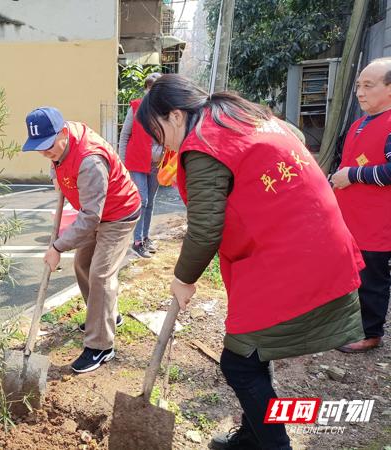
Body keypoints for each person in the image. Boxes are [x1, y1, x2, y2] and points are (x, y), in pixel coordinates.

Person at [137, 75, 365, 450]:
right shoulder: (242, 116)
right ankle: (250, 437)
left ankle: (274, 445)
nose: (160, 142)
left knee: (239, 363)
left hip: (291, 259)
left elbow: (205, 228)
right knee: (254, 355)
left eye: (157, 131)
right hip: (311, 243)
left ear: (175, 116)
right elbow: (297, 139)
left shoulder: (205, 143)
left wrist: (183, 278)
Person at [22, 107, 141, 373]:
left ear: (63, 133)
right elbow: (59, 162)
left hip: (119, 214)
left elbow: (89, 219)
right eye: (38, 147)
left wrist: (56, 247)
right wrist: (57, 175)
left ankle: (101, 346)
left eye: (48, 146)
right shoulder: (62, 140)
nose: (44, 152)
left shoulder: (90, 161)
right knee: (82, 264)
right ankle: (105, 316)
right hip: (97, 213)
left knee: (100, 274)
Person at [331, 57, 391, 353]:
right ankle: (349, 323)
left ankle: (371, 333)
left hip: (377, 225)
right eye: (358, 86)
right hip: (351, 220)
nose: (360, 92)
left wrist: (352, 175)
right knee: (351, 275)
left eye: (368, 85)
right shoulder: (360, 122)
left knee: (371, 280)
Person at [119, 72, 163, 258]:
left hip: (156, 164)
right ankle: (137, 242)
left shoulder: (166, 111)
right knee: (142, 200)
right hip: (136, 162)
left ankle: (145, 237)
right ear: (146, 89)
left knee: (150, 202)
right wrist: (121, 163)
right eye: (149, 87)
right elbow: (125, 135)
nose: (151, 92)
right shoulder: (136, 108)